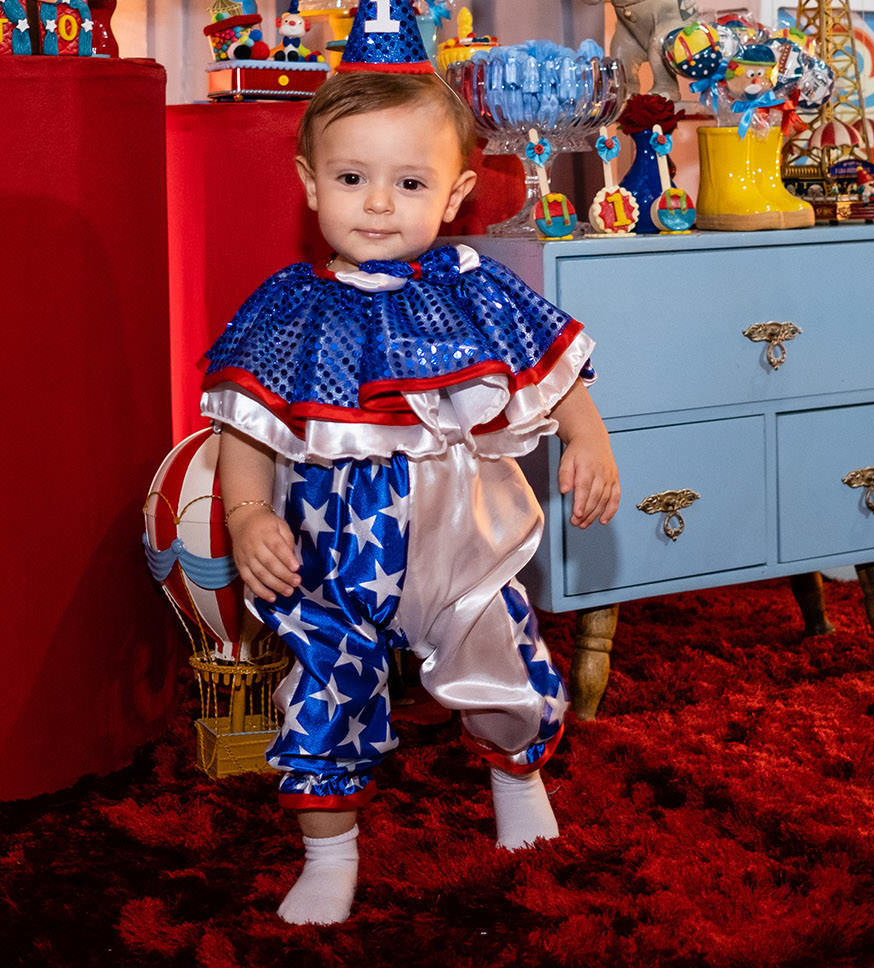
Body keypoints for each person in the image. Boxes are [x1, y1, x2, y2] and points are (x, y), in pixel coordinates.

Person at [201, 70, 621, 926]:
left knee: (503, 663)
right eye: (352, 178)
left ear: (456, 194)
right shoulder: (287, 309)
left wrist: (590, 440)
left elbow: (552, 366)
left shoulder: (474, 287)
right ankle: (330, 854)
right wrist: (247, 514)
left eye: (410, 183)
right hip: (332, 551)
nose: (378, 204)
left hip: (461, 540)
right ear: (310, 183)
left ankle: (518, 782)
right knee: (325, 692)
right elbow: (246, 427)